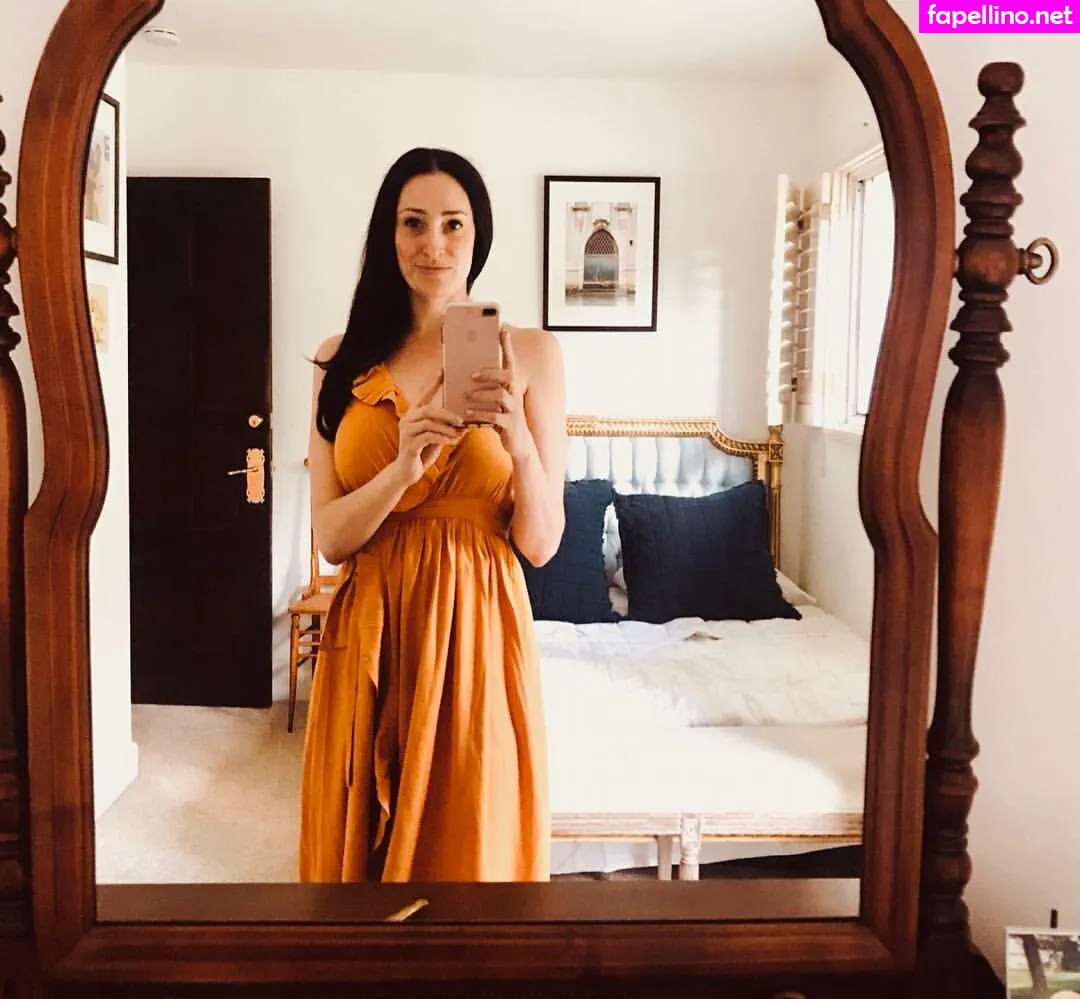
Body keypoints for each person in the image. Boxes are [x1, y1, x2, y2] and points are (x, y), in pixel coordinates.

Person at [298, 147, 567, 883]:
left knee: (468, 843)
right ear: (389, 234)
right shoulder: (339, 359)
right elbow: (331, 539)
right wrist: (402, 469)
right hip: (372, 624)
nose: (434, 244)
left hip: (477, 624)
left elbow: (542, 543)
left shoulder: (533, 353)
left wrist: (517, 438)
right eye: (413, 223)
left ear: (479, 234)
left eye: (454, 224)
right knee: (359, 853)